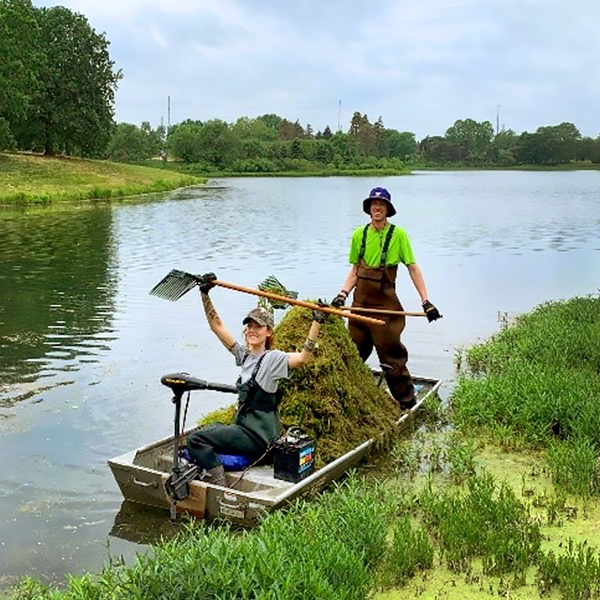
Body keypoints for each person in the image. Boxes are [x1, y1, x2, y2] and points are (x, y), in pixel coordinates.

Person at [186, 272, 325, 487]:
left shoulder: (272, 359)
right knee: (210, 428)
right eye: (249, 326)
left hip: (257, 438)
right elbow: (217, 326)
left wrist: (316, 323)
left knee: (196, 440)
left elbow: (302, 359)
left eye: (258, 327)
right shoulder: (245, 356)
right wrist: (205, 294)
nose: (252, 330)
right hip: (245, 431)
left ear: (268, 332)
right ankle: (213, 470)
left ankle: (218, 482)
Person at [332, 187, 441, 410]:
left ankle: (407, 402)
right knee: (353, 353)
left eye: (381, 205)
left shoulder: (398, 235)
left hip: (386, 309)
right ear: (369, 209)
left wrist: (426, 301)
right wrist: (342, 295)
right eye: (374, 204)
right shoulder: (358, 235)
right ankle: (344, 399)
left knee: (391, 358)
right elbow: (355, 270)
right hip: (360, 307)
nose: (377, 208)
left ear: (388, 209)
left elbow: (412, 268)